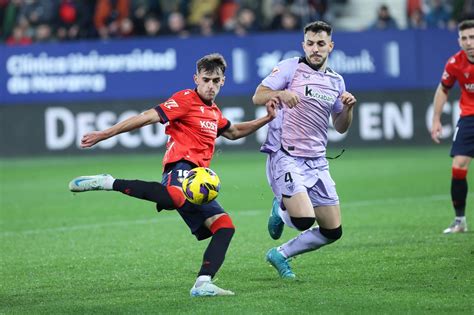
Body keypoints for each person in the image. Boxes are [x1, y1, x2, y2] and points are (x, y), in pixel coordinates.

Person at [69, 53, 277, 295]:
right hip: (180, 167)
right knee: (175, 198)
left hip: (198, 180)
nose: (210, 85)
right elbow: (147, 117)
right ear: (196, 79)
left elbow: (233, 131)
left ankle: (203, 284)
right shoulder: (186, 99)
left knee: (224, 227)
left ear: (223, 81)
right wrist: (104, 134)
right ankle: (108, 182)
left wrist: (267, 118)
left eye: (215, 81)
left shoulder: (214, 112)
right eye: (206, 79)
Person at [252, 21, 356, 279]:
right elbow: (258, 95)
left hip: (317, 160)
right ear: (303, 44)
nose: (315, 48)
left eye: (321, 44)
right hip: (286, 154)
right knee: (303, 219)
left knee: (333, 230)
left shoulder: (336, 81)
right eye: (310, 43)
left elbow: (340, 127)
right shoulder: (291, 67)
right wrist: (281, 94)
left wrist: (349, 109)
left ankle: (280, 254)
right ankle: (280, 207)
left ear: (330, 46)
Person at [431, 20, 474, 234]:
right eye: (465, 38)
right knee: (458, 166)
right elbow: (443, 89)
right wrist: (436, 119)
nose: (469, 42)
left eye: (472, 37)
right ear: (459, 41)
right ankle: (460, 221)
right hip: (469, 118)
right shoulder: (455, 63)